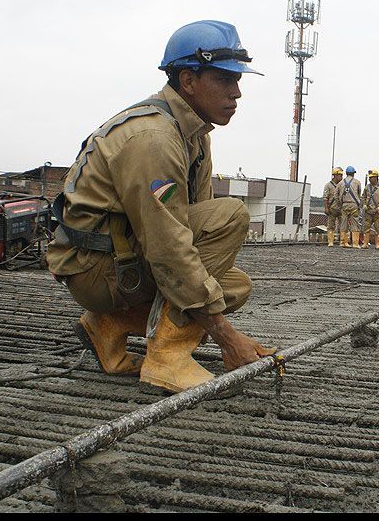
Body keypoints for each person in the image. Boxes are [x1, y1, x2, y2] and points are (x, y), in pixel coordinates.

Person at [46, 20, 276, 394]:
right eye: (224, 79)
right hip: (97, 268)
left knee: (232, 287)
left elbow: (193, 229)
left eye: (237, 80)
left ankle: (108, 325)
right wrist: (227, 337)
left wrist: (211, 312)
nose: (236, 92)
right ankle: (166, 358)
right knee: (231, 216)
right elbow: (168, 248)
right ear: (188, 80)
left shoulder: (194, 134)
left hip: (122, 258)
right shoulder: (155, 137)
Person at [361, 169, 379, 249]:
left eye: (371, 178)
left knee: (378, 228)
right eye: (369, 178)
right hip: (368, 211)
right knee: (366, 227)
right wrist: (364, 204)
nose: (370, 179)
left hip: (378, 212)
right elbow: (363, 196)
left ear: (376, 178)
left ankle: (377, 244)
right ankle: (365, 243)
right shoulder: (367, 187)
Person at [336, 166, 362, 248]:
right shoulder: (357, 182)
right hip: (354, 205)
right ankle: (355, 243)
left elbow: (336, 195)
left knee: (344, 224)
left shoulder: (340, 183)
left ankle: (343, 242)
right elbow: (359, 194)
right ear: (353, 173)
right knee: (355, 224)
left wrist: (340, 204)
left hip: (344, 205)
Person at [322, 167, 344, 246]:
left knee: (343, 226)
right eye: (340, 175)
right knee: (331, 226)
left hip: (341, 208)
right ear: (335, 175)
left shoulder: (343, 185)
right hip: (332, 208)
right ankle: (330, 242)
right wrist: (326, 208)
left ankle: (343, 241)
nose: (341, 177)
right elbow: (325, 197)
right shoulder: (328, 185)